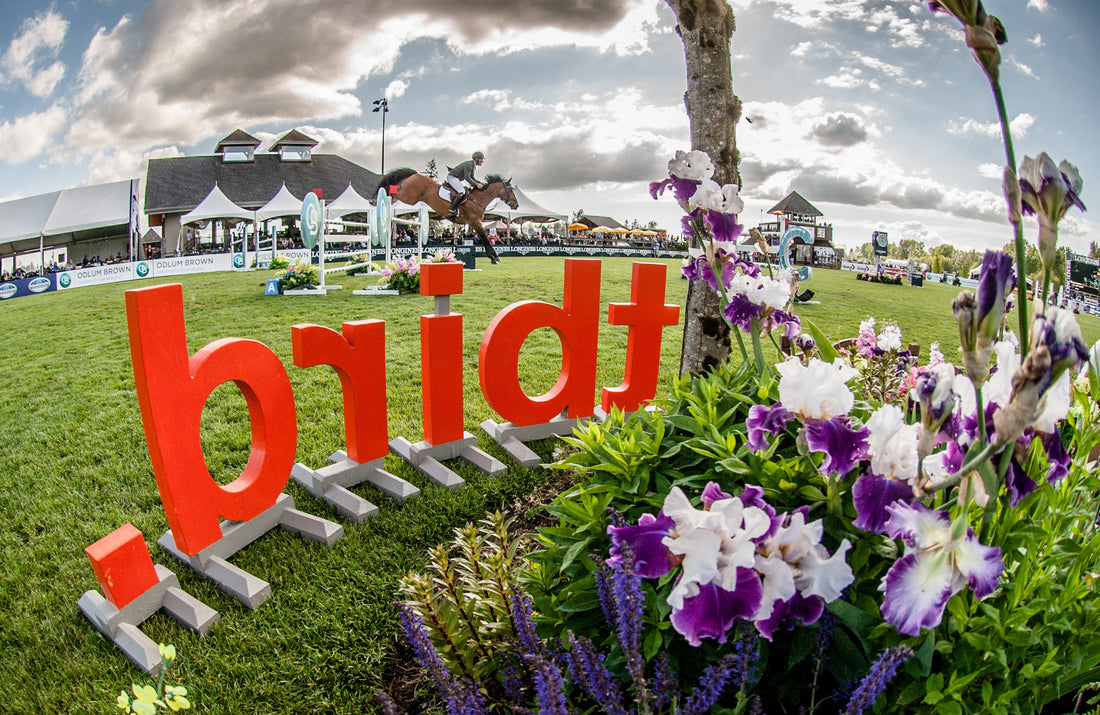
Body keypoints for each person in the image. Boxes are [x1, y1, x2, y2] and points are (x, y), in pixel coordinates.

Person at [445, 151, 486, 218]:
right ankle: (451, 209)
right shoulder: (469, 165)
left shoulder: (473, 166)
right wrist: (476, 184)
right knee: (462, 191)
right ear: (476, 159)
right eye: (481, 159)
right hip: (452, 177)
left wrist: (479, 183)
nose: (482, 161)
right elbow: (467, 177)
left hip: (456, 178)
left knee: (464, 191)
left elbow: (472, 178)